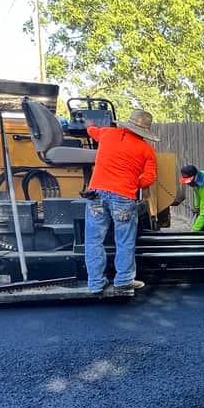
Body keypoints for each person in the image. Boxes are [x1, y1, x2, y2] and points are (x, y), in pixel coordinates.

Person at [84, 109, 159, 295]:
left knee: (93, 241)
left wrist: (89, 124)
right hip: (124, 197)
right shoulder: (146, 150)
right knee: (124, 241)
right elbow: (150, 177)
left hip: (96, 194)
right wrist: (134, 183)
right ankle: (124, 280)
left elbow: (92, 131)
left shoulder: (107, 134)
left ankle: (95, 283)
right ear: (145, 132)